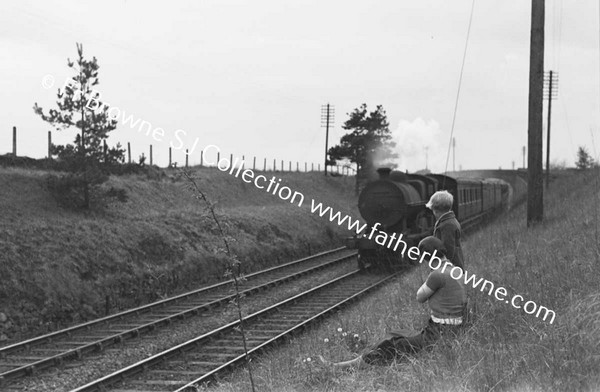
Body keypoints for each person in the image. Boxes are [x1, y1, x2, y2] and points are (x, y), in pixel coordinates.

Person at [319, 236, 466, 368]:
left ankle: (345, 366)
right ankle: (362, 360)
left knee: (391, 344)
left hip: (437, 333)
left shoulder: (436, 274)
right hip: (450, 329)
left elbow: (419, 297)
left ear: (427, 258)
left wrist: (430, 276)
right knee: (395, 333)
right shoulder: (456, 270)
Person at [426, 190, 464, 269]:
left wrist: (442, 268)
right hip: (453, 266)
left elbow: (448, 250)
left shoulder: (447, 225)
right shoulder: (449, 221)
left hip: (451, 269)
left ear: (435, 209)